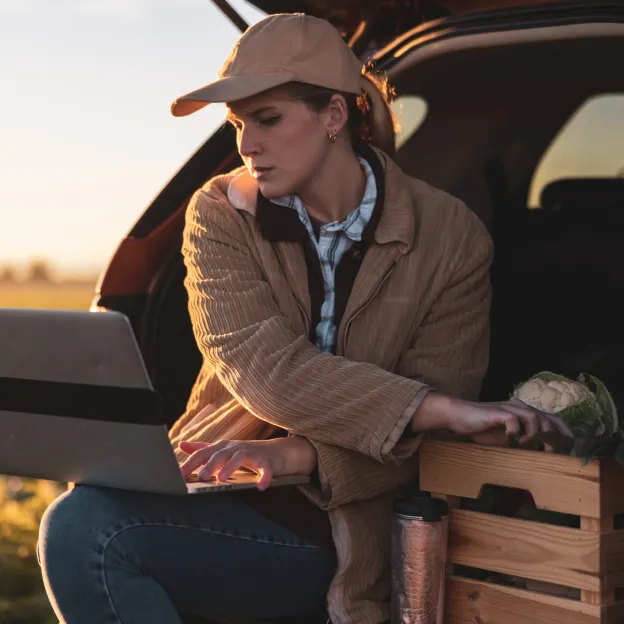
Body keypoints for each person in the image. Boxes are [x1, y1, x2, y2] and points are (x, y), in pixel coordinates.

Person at [38, 13, 572, 624]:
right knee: (85, 524)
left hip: (360, 530)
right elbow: (261, 367)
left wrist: (306, 455)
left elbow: (437, 445)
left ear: (335, 117)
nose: (245, 146)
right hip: (229, 489)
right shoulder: (219, 214)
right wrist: (427, 407)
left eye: (267, 120)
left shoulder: (453, 237)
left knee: (91, 533)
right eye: (239, 125)